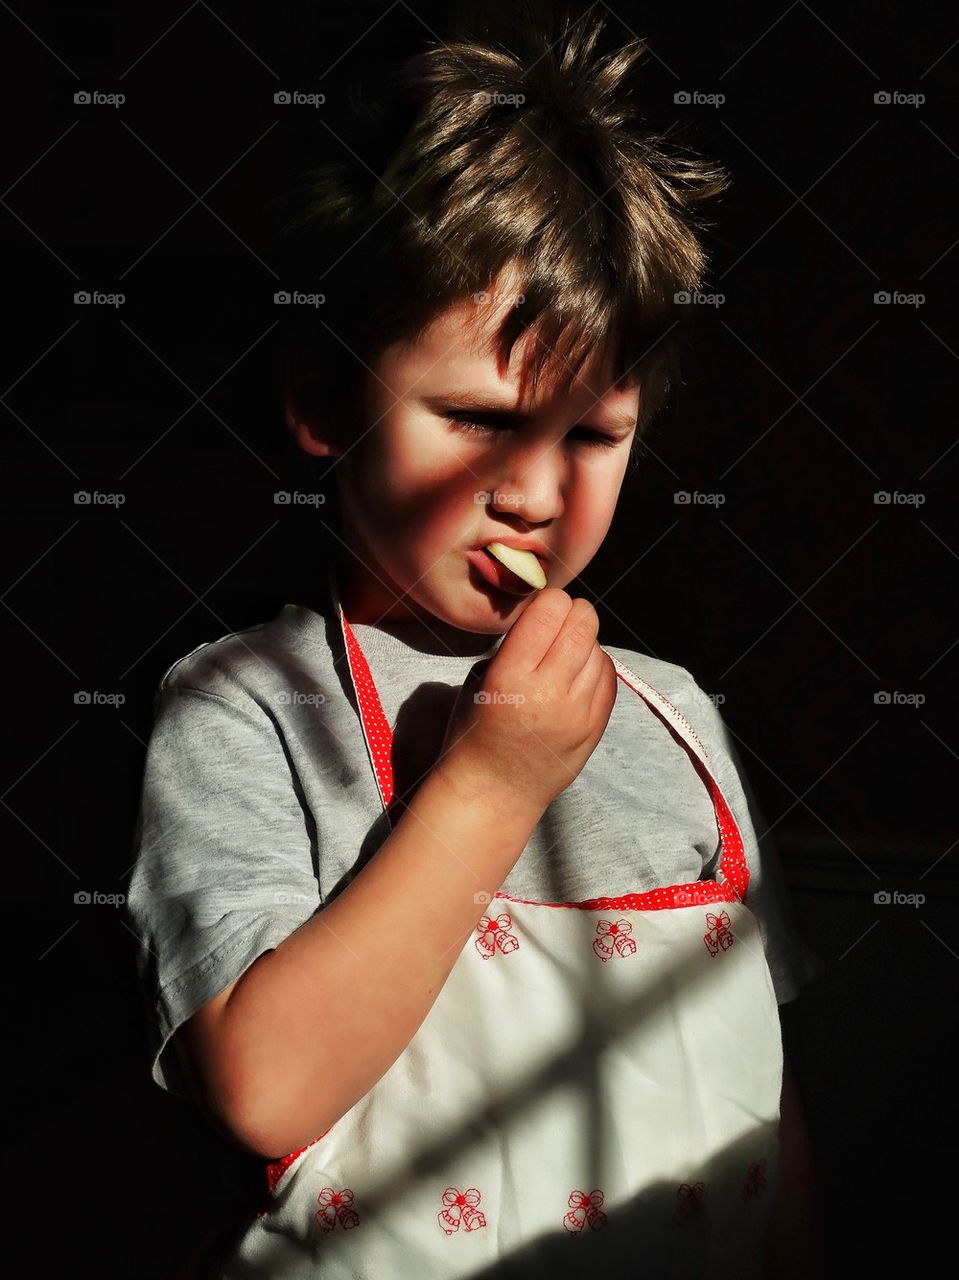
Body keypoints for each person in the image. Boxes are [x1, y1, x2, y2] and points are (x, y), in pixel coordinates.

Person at [125, 8, 826, 1277]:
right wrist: (496, 781)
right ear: (326, 403)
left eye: (593, 435)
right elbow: (267, 1084)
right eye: (475, 419)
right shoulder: (246, 705)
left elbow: (765, 1109)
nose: (534, 493)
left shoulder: (678, 715)